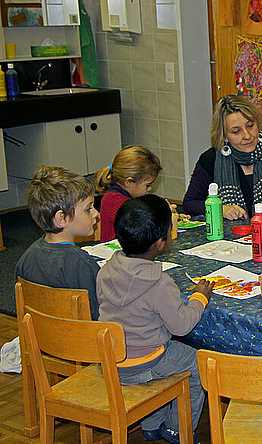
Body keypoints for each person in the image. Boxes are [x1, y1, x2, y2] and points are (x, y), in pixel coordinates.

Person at [97, 194, 213, 444]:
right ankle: (177, 429)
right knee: (196, 363)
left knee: (164, 353)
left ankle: (151, 425)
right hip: (144, 362)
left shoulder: (106, 269)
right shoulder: (160, 283)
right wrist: (199, 298)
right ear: (160, 243)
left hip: (110, 360)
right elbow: (181, 326)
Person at [182, 95, 262, 223]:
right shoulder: (211, 160)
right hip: (228, 239)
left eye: (250, 126)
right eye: (236, 132)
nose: (247, 136)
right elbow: (190, 204)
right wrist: (221, 209)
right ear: (224, 136)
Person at [15, 165, 101, 319]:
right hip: (80, 340)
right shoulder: (80, 262)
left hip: (42, 340)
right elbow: (97, 315)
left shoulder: (26, 258)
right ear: (62, 219)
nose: (96, 213)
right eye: (88, 209)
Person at [94, 145, 163, 242]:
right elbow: (140, 230)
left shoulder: (128, 197)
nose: (150, 189)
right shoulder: (115, 201)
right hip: (113, 253)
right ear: (129, 182)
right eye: (147, 185)